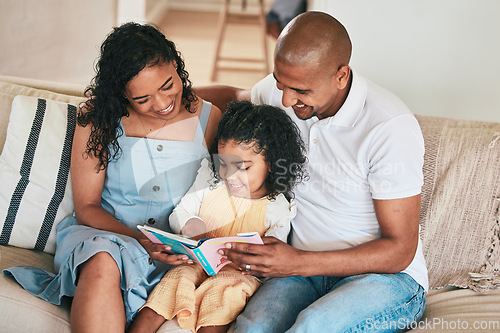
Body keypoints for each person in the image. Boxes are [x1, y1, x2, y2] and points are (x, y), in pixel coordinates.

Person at [197, 11, 428, 332]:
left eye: (302, 91)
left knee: (314, 325)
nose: (287, 100)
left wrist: (298, 262)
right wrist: (162, 96)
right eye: (281, 84)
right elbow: (234, 97)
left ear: (341, 76)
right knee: (252, 328)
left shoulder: (389, 127)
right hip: (301, 272)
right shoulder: (280, 93)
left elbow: (400, 250)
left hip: (388, 281)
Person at [4, 22, 222, 332]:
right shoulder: (98, 119)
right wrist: (140, 240)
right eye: (143, 99)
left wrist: (193, 239)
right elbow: (88, 207)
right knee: (103, 260)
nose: (161, 104)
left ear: (176, 63)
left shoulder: (209, 117)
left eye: (167, 85)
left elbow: (218, 196)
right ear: (122, 95)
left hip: (173, 250)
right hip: (105, 237)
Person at [129, 101, 307, 333]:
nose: (230, 176)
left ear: (271, 165)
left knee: (224, 293)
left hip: (237, 275)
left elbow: (273, 255)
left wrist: (252, 260)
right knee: (174, 282)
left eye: (242, 167)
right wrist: (189, 224)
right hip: (196, 262)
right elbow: (179, 213)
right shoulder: (211, 181)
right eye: (223, 164)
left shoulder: (277, 207)